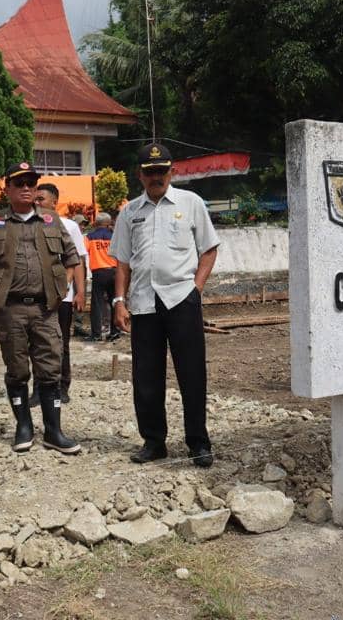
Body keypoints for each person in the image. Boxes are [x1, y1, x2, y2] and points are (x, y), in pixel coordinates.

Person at [111, 143, 220, 467]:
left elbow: (209, 249)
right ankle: (154, 442)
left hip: (181, 300)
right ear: (140, 175)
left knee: (191, 374)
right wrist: (119, 300)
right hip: (144, 304)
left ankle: (198, 442)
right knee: (146, 377)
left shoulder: (191, 203)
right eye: (150, 171)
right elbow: (123, 262)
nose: (156, 176)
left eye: (161, 170)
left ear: (172, 172)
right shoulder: (130, 212)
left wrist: (196, 289)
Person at [0, 162, 82, 455]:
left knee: (50, 370)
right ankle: (24, 427)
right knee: (17, 370)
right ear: (7, 188)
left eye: (31, 183)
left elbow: (72, 258)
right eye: (19, 183)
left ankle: (54, 431)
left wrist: (61, 290)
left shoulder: (51, 221)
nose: (26, 188)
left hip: (46, 309)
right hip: (10, 310)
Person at [33, 183, 87, 404]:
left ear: (54, 202)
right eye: (35, 199)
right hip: (35, 296)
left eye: (41, 199)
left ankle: (62, 386)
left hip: (62, 296)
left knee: (61, 342)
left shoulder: (68, 226)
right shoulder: (28, 225)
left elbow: (78, 260)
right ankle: (38, 388)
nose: (36, 203)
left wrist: (81, 292)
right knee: (36, 343)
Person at [86, 212, 118, 341]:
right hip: (114, 271)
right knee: (115, 302)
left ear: (96, 223)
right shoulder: (115, 236)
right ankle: (115, 332)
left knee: (97, 304)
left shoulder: (90, 236)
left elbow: (84, 251)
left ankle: (96, 334)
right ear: (108, 223)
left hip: (99, 272)